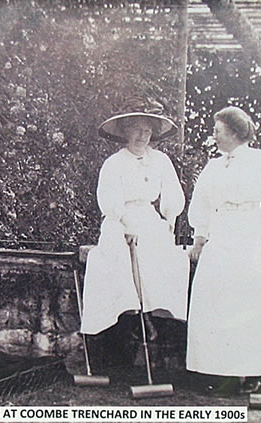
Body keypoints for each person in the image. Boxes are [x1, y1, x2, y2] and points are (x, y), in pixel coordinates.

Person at [187, 106, 261, 394]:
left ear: (235, 132)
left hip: (252, 233)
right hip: (221, 233)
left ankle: (255, 372)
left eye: (218, 130)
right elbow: (201, 203)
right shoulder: (213, 166)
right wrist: (200, 238)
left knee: (250, 302)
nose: (214, 135)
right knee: (216, 300)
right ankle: (219, 372)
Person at [80, 97, 189, 342]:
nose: (143, 136)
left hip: (149, 219)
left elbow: (172, 195)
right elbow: (110, 202)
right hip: (120, 222)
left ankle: (154, 316)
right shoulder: (114, 163)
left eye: (148, 131)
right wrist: (124, 226)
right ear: (127, 132)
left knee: (168, 258)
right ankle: (129, 318)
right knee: (119, 260)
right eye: (138, 130)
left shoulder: (161, 161)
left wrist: (169, 221)